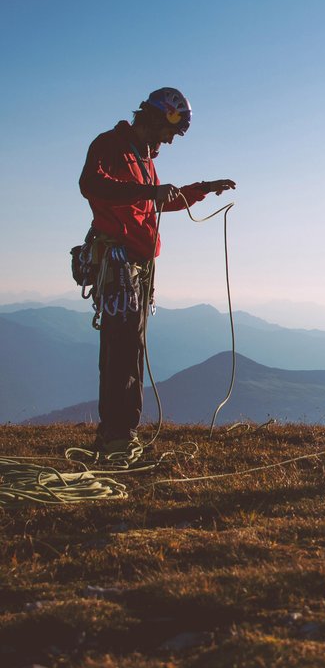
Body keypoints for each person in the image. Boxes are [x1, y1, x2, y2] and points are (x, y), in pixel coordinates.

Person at [77, 87, 235, 457]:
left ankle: (115, 432)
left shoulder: (143, 157)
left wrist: (202, 189)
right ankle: (118, 436)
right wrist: (146, 191)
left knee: (129, 346)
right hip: (118, 262)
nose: (170, 140)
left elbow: (157, 198)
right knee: (123, 348)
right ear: (152, 117)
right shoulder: (111, 144)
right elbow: (91, 184)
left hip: (135, 264)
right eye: (169, 131)